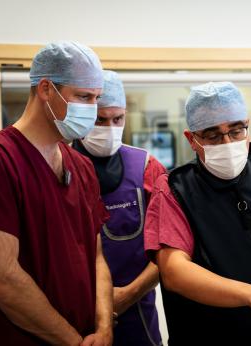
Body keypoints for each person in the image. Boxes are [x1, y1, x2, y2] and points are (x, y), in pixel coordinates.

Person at [0, 41, 113, 345]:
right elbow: (2, 279)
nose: (92, 109)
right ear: (45, 89)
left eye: (96, 98)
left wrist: (104, 328)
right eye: (82, 97)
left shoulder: (81, 167)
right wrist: (72, 341)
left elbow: (97, 257)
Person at [144, 81, 251, 346]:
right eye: (213, 135)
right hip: (206, 335)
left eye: (236, 130)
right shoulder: (174, 188)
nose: (227, 142)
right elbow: (175, 271)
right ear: (192, 139)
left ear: (247, 126)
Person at [72, 70, 165, 346]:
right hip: (75, 312)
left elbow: (171, 249)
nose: (109, 128)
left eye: (118, 119)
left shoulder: (147, 167)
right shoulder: (59, 165)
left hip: (136, 310)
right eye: (100, 120)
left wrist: (128, 294)